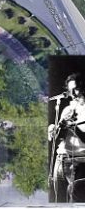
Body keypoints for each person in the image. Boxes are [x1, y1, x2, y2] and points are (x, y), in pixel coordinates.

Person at [48, 73, 85, 202]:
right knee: (58, 200)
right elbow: (58, 139)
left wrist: (72, 126)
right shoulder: (68, 109)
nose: (73, 94)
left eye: (75, 89)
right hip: (60, 159)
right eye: (70, 90)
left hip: (78, 162)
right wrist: (58, 128)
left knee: (73, 201)